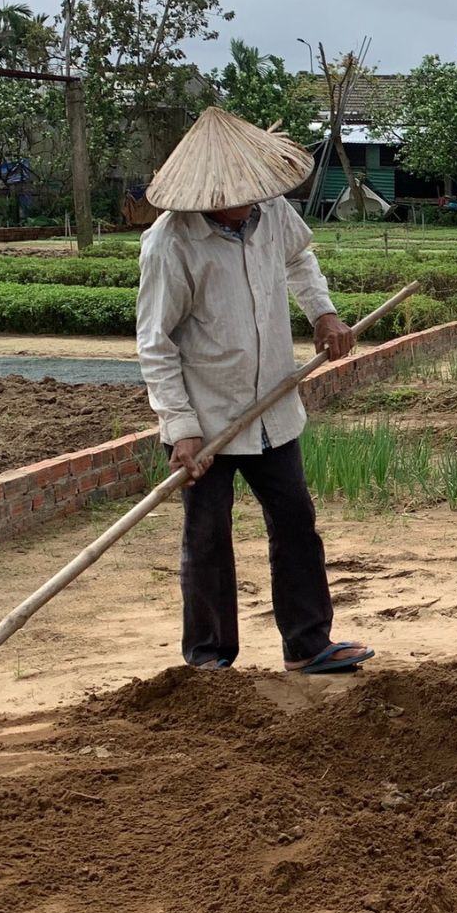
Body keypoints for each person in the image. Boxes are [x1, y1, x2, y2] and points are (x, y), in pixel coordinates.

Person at [136, 107, 373, 674]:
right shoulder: (172, 244)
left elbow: (300, 259)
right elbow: (156, 343)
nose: (247, 200)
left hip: (274, 407)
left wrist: (323, 315)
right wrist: (182, 428)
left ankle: (308, 645)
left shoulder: (272, 213)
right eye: (234, 193)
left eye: (253, 189)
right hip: (211, 419)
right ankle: (210, 659)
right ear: (205, 192)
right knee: (208, 539)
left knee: (295, 524)